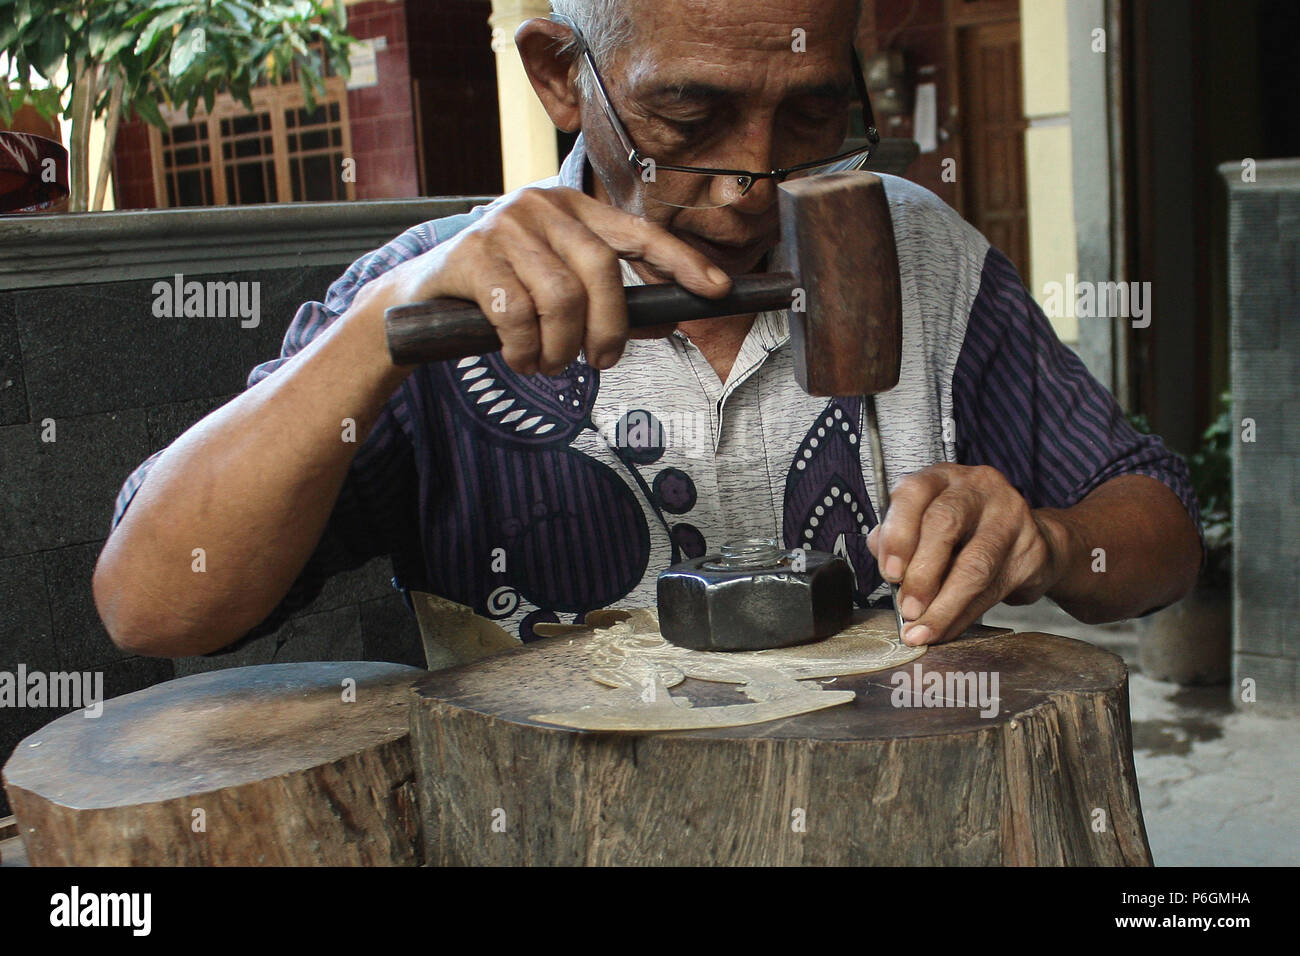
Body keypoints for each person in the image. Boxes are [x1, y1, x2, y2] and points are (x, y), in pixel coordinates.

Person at [93, 0, 1202, 659]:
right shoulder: (425, 300)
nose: (748, 188)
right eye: (691, 116)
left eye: (811, 114)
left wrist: (1045, 543)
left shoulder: (920, 252)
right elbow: (150, 604)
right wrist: (377, 333)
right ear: (560, 76)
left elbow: (1156, 531)